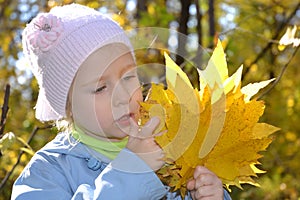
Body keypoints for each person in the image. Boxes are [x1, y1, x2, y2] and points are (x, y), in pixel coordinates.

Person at [11, 4, 231, 200]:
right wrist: (130, 171)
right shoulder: (47, 172)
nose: (123, 96)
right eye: (100, 88)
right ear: (68, 108)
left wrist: (208, 194)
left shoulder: (165, 146)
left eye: (128, 77)